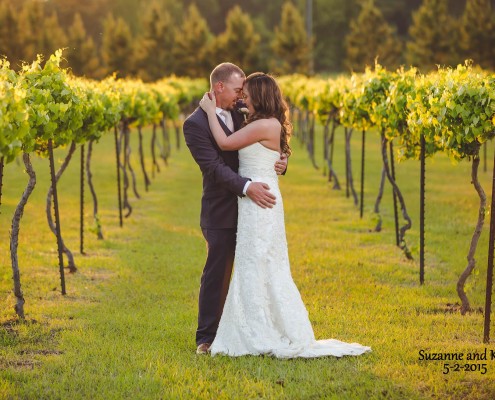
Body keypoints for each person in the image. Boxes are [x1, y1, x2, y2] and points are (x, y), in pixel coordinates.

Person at [199, 72, 371, 358]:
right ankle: (254, 325)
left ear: (260, 96)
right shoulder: (256, 120)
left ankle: (259, 329)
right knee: (259, 262)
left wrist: (207, 111)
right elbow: (263, 152)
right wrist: (282, 158)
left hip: (259, 201)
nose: (243, 98)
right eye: (241, 93)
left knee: (258, 262)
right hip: (253, 199)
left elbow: (226, 144)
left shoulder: (264, 123)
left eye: (248, 94)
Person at [183, 63, 288, 355]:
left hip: (255, 209)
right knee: (217, 272)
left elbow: (270, 135)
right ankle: (206, 338)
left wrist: (282, 159)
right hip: (222, 209)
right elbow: (215, 168)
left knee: (255, 267)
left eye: (243, 91)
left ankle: (252, 329)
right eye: (237, 90)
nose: (242, 96)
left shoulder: (241, 110)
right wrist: (246, 187)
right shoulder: (195, 124)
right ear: (220, 87)